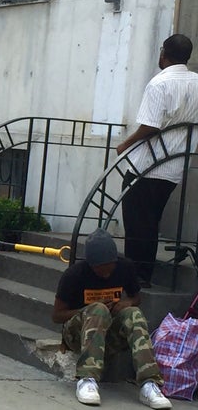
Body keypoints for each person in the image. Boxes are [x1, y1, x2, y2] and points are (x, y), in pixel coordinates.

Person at [52, 228, 172, 409]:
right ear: (91, 264)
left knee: (134, 313)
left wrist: (127, 302)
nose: (107, 275)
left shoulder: (125, 268)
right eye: (101, 271)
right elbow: (57, 315)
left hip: (109, 336)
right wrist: (87, 310)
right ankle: (87, 379)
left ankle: (149, 384)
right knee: (98, 310)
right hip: (78, 335)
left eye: (110, 269)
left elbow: (137, 298)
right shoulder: (74, 275)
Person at [116, 34, 198, 288]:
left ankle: (138, 276)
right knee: (150, 221)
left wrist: (125, 143)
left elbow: (150, 125)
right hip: (175, 164)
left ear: (164, 54)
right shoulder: (197, 82)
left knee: (136, 221)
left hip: (149, 164)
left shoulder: (159, 83)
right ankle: (143, 274)